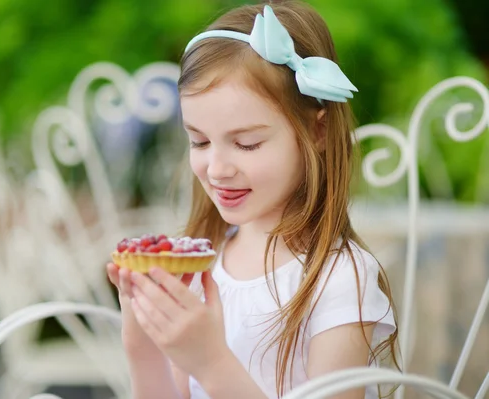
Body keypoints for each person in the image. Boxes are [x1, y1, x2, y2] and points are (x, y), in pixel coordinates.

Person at [106, 1, 399, 398]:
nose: (217, 168)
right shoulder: (202, 262)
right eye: (199, 141)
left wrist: (211, 363)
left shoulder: (337, 279)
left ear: (318, 132)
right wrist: (142, 348)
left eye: (246, 144)